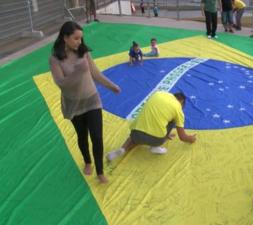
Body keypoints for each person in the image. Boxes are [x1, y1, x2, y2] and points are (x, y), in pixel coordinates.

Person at [49, 21, 121, 183]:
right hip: (73, 103)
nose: (80, 42)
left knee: (97, 136)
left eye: (81, 38)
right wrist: (77, 72)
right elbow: (61, 84)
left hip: (92, 100)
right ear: (65, 38)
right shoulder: (55, 59)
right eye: (76, 38)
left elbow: (95, 73)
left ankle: (100, 172)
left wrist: (112, 86)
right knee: (82, 136)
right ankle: (88, 161)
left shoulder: (83, 52)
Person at [106, 91, 196, 161]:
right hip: (156, 139)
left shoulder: (159, 93)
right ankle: (155, 147)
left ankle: (123, 149)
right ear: (181, 102)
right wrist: (191, 139)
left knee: (134, 138)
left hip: (136, 133)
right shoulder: (178, 108)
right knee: (173, 120)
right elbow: (183, 137)